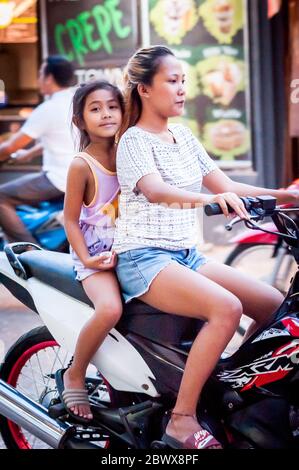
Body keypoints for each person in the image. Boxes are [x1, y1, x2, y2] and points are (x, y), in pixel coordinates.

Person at [112, 45, 299, 449]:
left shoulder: (182, 134)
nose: (182, 90)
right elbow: (157, 191)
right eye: (172, 81)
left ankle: (227, 387)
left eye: (184, 81)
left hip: (186, 255)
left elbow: (226, 186)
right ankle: (181, 419)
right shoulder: (133, 140)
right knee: (226, 308)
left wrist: (284, 195)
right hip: (145, 257)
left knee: (273, 305)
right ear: (144, 89)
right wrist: (207, 202)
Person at [55, 80, 124, 423]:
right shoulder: (81, 165)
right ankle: (76, 372)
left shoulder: (130, 150)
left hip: (130, 251)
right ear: (80, 120)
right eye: (95, 108)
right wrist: (85, 258)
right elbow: (69, 220)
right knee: (110, 309)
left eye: (112, 106)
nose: (106, 114)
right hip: (94, 255)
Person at [0, 55, 76, 244]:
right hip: (77, 176)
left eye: (41, 74)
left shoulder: (48, 108)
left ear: (49, 78)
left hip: (58, 178)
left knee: (1, 197)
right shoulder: (76, 100)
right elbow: (62, 138)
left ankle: (28, 251)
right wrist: (29, 154)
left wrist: (13, 152)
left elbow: (10, 146)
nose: (38, 79)